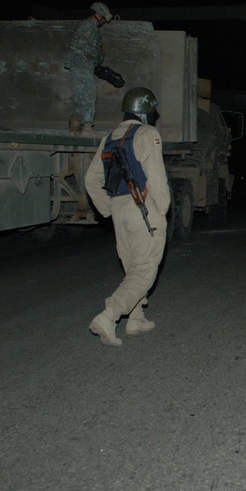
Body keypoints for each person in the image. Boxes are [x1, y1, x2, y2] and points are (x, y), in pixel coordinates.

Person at [84, 87, 171, 346]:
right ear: (145, 112)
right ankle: (109, 315)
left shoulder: (109, 138)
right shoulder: (147, 133)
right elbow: (156, 177)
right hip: (142, 209)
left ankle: (136, 319)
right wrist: (161, 210)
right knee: (145, 270)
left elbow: (91, 180)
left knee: (132, 266)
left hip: (120, 209)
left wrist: (109, 209)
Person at [66, 1, 121, 136]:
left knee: (81, 96)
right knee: (89, 94)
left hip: (83, 65)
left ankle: (74, 127)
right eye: (103, 18)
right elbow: (82, 46)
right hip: (82, 65)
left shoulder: (89, 26)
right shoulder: (87, 26)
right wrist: (93, 58)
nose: (103, 22)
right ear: (98, 14)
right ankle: (87, 128)